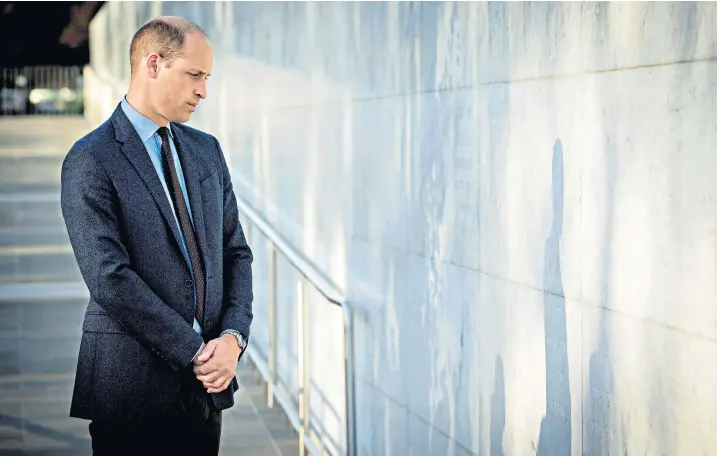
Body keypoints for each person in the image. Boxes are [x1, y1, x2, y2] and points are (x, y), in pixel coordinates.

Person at [60, 16, 253, 456]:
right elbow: (110, 278)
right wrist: (196, 351)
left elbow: (236, 252)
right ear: (153, 64)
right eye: (194, 74)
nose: (203, 90)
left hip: (205, 396)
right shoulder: (91, 158)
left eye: (207, 77)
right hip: (132, 393)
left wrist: (233, 339)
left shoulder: (206, 150)